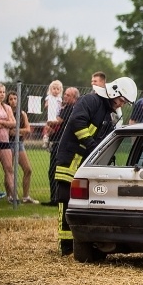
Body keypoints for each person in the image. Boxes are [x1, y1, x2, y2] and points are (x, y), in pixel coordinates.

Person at [54, 76, 136, 254]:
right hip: (70, 160)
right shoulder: (90, 101)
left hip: (86, 163)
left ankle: (82, 242)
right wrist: (93, 147)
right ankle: (66, 247)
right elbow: (77, 122)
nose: (121, 104)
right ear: (114, 92)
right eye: (121, 100)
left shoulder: (109, 113)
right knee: (65, 200)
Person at [45, 87, 79, 206]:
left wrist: (49, 120)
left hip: (60, 143)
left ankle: (55, 199)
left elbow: (57, 121)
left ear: (74, 98)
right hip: (58, 140)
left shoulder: (69, 108)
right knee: (54, 171)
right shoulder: (66, 108)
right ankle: (56, 197)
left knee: (54, 171)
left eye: (68, 95)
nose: (65, 96)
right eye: (65, 94)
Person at [7, 91, 37, 204]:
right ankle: (10, 196)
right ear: (8, 101)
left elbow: (28, 130)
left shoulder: (22, 113)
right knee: (9, 170)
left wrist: (16, 131)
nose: (13, 101)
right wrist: (15, 132)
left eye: (15, 98)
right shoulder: (6, 112)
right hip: (8, 144)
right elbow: (8, 132)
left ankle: (25, 196)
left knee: (28, 170)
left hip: (19, 144)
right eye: (11, 99)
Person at [42, 80, 63, 149]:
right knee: (49, 127)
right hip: (51, 115)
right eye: (54, 88)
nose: (55, 90)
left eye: (57, 89)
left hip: (56, 116)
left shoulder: (59, 99)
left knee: (55, 129)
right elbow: (46, 105)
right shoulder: (49, 97)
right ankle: (46, 138)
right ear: (50, 89)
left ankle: (50, 140)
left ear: (60, 90)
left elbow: (60, 107)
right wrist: (48, 105)